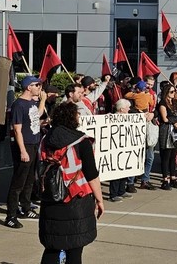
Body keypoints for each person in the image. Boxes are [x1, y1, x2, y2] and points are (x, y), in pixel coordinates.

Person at [38, 101, 104, 264]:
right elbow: (92, 174)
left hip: (51, 198)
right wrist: (100, 199)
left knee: (52, 247)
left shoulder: (45, 139)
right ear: (72, 118)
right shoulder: (81, 142)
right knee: (74, 248)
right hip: (76, 199)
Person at [5, 75, 47, 229]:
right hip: (25, 145)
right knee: (18, 181)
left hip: (34, 143)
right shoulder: (19, 105)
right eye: (37, 85)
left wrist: (42, 102)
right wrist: (23, 150)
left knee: (30, 179)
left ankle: (26, 207)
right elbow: (17, 130)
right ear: (29, 87)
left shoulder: (32, 103)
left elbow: (38, 114)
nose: (39, 87)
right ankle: (11, 215)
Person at [158, 83, 177, 190]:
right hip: (167, 131)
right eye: (171, 92)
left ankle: (173, 177)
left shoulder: (176, 102)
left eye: (174, 91)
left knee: (174, 156)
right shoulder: (163, 103)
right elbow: (165, 118)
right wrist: (175, 121)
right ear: (166, 93)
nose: (174, 93)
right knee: (166, 156)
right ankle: (165, 179)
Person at [107, 99, 135, 202]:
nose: (129, 109)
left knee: (124, 169)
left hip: (125, 147)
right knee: (116, 171)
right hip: (115, 148)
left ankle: (121, 190)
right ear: (122, 109)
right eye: (127, 107)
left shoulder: (129, 118)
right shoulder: (112, 118)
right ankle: (113, 194)